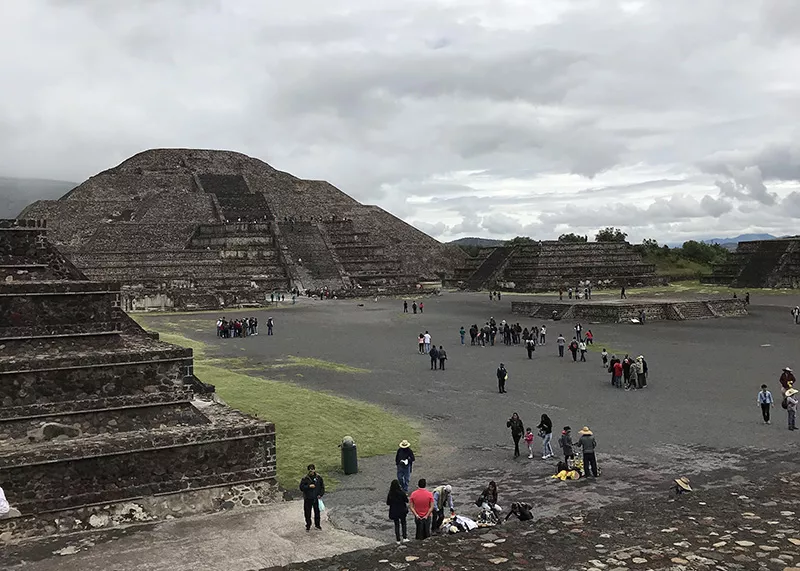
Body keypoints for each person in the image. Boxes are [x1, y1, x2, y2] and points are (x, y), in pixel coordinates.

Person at [299, 464, 325, 531]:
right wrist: (308, 486)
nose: (311, 471)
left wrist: (320, 494)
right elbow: (301, 488)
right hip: (308, 498)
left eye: (312, 469)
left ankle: (317, 525)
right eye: (310, 470)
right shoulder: (305, 478)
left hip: (316, 498)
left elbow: (322, 487)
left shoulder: (318, 478)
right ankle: (308, 525)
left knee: (317, 513)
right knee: (307, 513)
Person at [387, 479, 410, 544]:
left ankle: (398, 539)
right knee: (403, 523)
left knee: (396, 525)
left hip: (394, 511)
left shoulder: (390, 494)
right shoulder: (401, 492)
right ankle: (405, 537)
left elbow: (388, 503)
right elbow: (406, 500)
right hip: (402, 510)